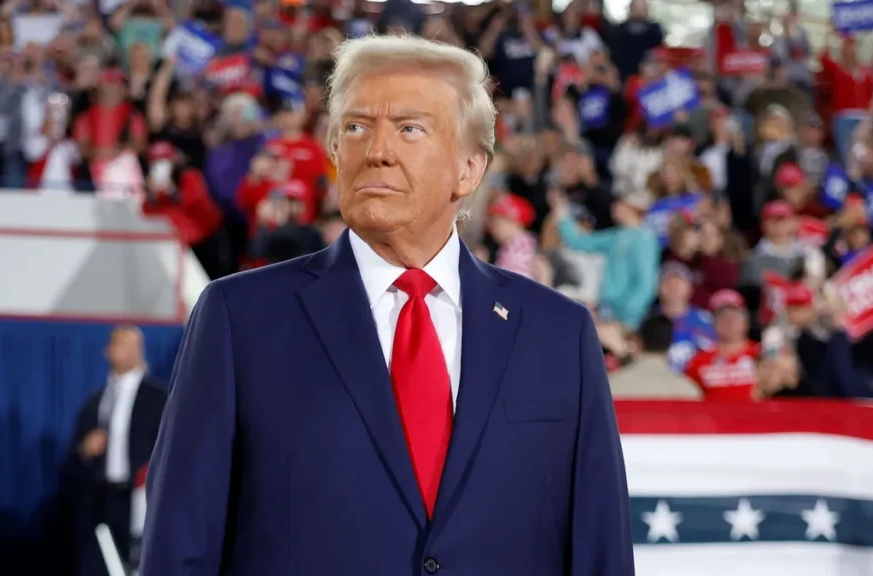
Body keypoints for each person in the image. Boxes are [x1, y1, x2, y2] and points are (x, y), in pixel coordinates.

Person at [141, 35, 634, 576]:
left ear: (468, 170)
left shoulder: (557, 331)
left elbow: (600, 549)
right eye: (355, 127)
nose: (376, 150)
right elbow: (179, 547)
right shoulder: (238, 317)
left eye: (409, 128)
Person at [64, 326, 167, 576]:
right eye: (123, 345)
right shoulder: (96, 399)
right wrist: (85, 448)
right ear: (108, 351)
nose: (131, 352)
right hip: (101, 496)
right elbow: (76, 449)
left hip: (141, 497)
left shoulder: (159, 397)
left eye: (135, 346)